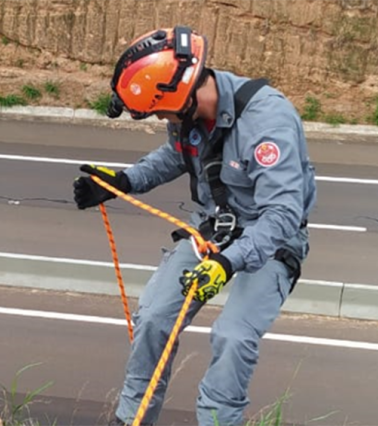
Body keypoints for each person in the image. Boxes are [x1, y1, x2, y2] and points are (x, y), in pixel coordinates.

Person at [72, 26, 317, 426]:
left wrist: (226, 263)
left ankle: (217, 421)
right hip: (213, 227)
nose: (160, 119)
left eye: (159, 112)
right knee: (153, 318)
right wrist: (124, 182)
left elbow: (283, 214)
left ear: (180, 97)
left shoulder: (268, 123)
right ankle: (132, 418)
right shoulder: (187, 114)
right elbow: (177, 155)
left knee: (233, 337)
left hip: (271, 237)